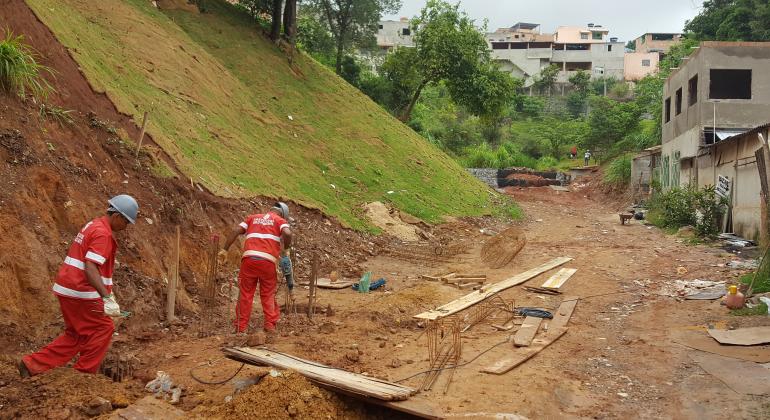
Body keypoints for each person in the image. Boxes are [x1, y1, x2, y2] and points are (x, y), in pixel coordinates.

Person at [19, 195, 139, 377]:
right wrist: (106, 297)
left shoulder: (94, 225)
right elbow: (90, 267)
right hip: (81, 291)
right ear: (117, 217)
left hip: (68, 287)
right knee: (104, 328)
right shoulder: (103, 234)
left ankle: (32, 365)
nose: (126, 227)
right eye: (126, 222)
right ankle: (83, 375)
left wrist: (108, 293)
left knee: (77, 334)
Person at [219, 202, 292, 338]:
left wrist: (225, 249)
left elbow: (235, 231)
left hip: (249, 260)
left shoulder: (252, 217)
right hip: (267, 262)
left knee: (245, 293)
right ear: (283, 214)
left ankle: (241, 328)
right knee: (268, 293)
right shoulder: (279, 220)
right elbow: (287, 233)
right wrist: (286, 249)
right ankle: (270, 325)